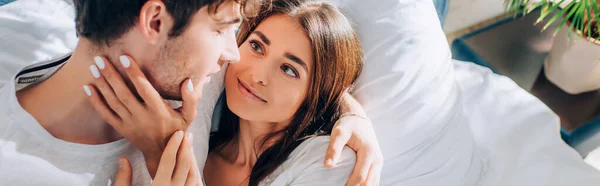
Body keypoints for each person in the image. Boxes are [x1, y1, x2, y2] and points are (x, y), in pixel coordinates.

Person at [0, 0, 382, 185]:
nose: (235, 54)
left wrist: (343, 108)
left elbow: (305, 32)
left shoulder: (191, 78)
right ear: (155, 21)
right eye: (222, 30)